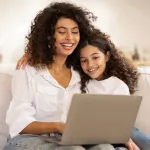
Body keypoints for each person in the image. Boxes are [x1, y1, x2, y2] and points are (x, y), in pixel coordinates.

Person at [4, 2, 115, 150]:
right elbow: (19, 123)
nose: (70, 37)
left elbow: (102, 51)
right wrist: (58, 126)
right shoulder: (28, 69)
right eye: (62, 32)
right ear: (49, 36)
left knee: (105, 147)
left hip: (67, 138)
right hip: (28, 139)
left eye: (75, 31)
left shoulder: (80, 70)